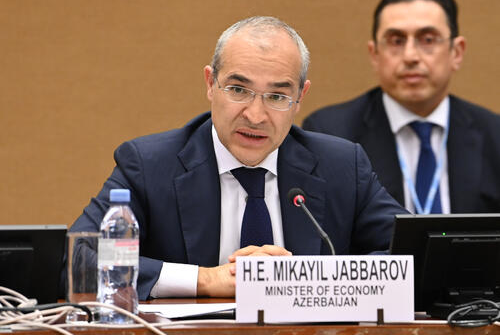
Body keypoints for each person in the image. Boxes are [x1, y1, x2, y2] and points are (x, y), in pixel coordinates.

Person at [69, 16, 407, 300]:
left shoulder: (341, 166)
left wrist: (304, 278)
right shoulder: (150, 165)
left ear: (300, 97)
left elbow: (416, 253)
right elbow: (77, 260)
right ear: (210, 84)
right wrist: (205, 279)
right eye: (238, 90)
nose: (255, 116)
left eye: (277, 96)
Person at [303, 0, 500, 214]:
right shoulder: (330, 134)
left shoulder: (494, 135)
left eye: (428, 40)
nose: (410, 56)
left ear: (456, 53)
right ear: (375, 54)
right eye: (396, 41)